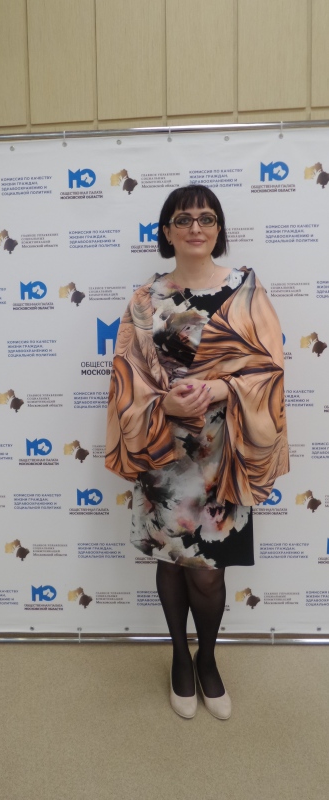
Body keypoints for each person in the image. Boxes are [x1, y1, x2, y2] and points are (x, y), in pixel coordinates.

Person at [105, 185, 289, 720]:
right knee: (172, 561)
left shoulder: (245, 291)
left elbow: (270, 370)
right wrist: (162, 400)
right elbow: (126, 378)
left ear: (218, 229)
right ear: (167, 231)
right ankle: (179, 659)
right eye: (183, 219)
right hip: (163, 454)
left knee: (209, 570)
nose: (195, 228)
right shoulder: (146, 299)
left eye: (206, 218)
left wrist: (220, 388)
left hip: (224, 454)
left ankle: (207, 658)